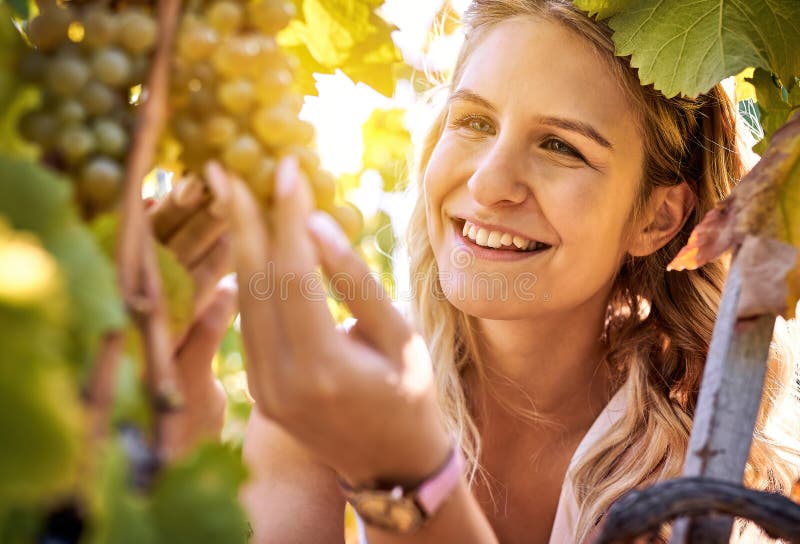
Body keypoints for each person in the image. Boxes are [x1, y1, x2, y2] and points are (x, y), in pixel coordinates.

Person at [155, 1, 800, 542]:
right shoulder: (325, 401)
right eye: (473, 122)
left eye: (560, 147)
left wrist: (403, 479)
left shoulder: (699, 449)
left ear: (657, 220)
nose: (490, 182)